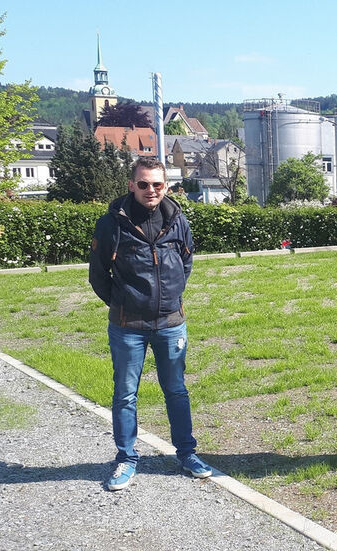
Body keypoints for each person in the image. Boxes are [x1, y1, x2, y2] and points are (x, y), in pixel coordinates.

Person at [89, 157, 212, 491]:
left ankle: (187, 454)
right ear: (132, 185)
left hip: (171, 323)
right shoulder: (112, 224)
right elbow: (98, 275)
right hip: (128, 326)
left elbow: (185, 262)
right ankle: (126, 459)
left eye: (157, 184)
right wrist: (124, 304)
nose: (150, 190)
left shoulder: (177, 219)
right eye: (143, 184)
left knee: (176, 390)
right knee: (126, 394)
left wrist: (169, 298)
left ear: (166, 186)